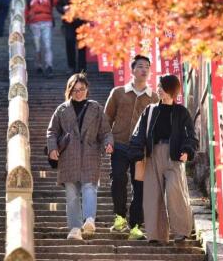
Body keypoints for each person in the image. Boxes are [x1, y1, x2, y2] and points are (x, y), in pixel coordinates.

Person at [129, 75, 199, 244]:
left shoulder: (181, 111)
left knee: (175, 191)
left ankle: (181, 231)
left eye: (162, 86)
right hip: (152, 155)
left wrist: (187, 150)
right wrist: (137, 151)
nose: (158, 89)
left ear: (171, 90)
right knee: (153, 194)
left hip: (174, 156)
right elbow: (138, 133)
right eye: (159, 86)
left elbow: (191, 135)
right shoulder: (150, 110)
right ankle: (156, 235)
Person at [46, 73, 113, 240]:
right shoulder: (62, 109)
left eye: (82, 89)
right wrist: (52, 148)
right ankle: (75, 229)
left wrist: (108, 143)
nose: (78, 93)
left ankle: (89, 219)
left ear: (87, 89)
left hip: (90, 155)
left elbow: (105, 132)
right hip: (68, 157)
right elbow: (52, 132)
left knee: (89, 187)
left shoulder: (96, 108)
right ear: (69, 91)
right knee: (72, 195)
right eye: (75, 90)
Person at [104, 55, 159, 240]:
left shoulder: (154, 97)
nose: (144, 70)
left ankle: (136, 226)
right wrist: (108, 139)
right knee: (118, 179)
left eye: (147, 67)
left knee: (140, 187)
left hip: (141, 151)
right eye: (140, 66)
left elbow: (157, 127)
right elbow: (106, 119)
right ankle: (120, 217)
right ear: (133, 70)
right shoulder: (118, 92)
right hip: (119, 145)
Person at [25, 0, 57, 78]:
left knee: (47, 45)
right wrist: (25, 22)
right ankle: (38, 65)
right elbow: (26, 11)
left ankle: (49, 66)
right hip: (34, 23)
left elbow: (58, 2)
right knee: (37, 45)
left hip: (47, 22)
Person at [57, 0, 87, 74]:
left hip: (82, 22)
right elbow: (58, 5)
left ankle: (82, 68)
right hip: (69, 22)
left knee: (82, 46)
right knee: (69, 42)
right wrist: (63, 9)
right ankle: (71, 66)